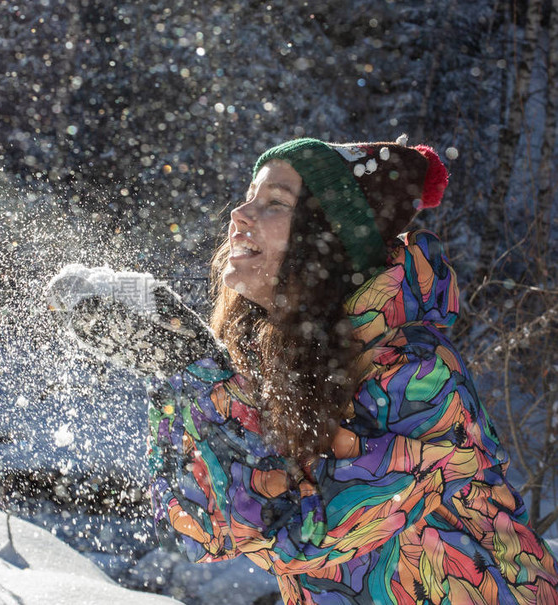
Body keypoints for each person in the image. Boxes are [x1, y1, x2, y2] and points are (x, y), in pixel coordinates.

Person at [47, 137, 558, 604]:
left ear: (325, 241)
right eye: (248, 195)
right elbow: (204, 530)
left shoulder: (417, 371)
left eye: (275, 203)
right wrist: (173, 374)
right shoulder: (278, 359)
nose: (240, 214)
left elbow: (302, 538)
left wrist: (202, 378)